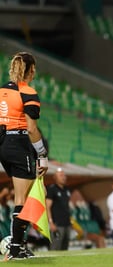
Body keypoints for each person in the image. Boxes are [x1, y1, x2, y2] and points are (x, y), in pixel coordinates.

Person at [0, 52, 48, 260]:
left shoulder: (1, 90)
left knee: (23, 197)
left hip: (2, 143)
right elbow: (31, 129)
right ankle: (16, 247)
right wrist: (42, 153)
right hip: (19, 143)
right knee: (23, 199)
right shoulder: (28, 92)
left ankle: (18, 244)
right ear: (32, 69)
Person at [46, 167, 72, 250]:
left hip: (67, 223)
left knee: (65, 247)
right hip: (57, 224)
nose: (63, 177)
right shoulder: (52, 189)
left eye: (64, 175)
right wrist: (51, 222)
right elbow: (47, 206)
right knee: (56, 247)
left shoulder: (67, 190)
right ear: (55, 177)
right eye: (61, 175)